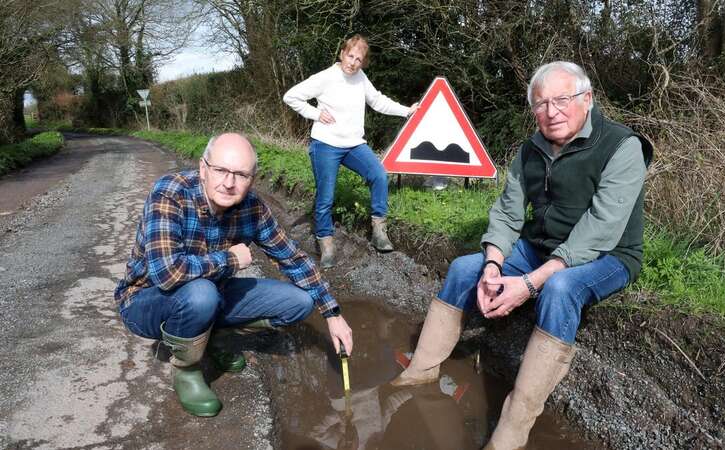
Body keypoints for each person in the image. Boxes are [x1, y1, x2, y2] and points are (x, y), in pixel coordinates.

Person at [391, 61, 653, 449]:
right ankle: (422, 369)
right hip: (542, 246)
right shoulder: (531, 149)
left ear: (587, 99)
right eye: (541, 104)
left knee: (561, 288)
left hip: (608, 255)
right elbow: (508, 211)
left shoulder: (622, 146)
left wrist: (529, 284)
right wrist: (494, 263)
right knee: (466, 268)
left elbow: (602, 226)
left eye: (562, 100)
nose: (551, 112)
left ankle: (513, 426)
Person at [114, 132, 353, 417]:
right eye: (221, 171)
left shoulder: (252, 208)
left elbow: (293, 259)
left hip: (211, 292)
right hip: (147, 301)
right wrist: (229, 259)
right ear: (203, 169)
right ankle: (187, 369)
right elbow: (167, 274)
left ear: (252, 179)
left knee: (299, 301)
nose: (229, 183)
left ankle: (212, 337)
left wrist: (332, 313)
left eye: (240, 175)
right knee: (202, 294)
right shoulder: (171, 192)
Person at [283, 34, 418, 268]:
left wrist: (407, 111)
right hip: (325, 145)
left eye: (359, 59)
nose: (353, 62)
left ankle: (378, 230)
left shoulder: (361, 78)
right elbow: (291, 96)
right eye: (350, 55)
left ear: (363, 62)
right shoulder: (325, 77)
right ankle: (326, 243)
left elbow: (377, 101)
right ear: (342, 54)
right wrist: (315, 114)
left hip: (354, 144)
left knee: (378, 174)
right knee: (326, 197)